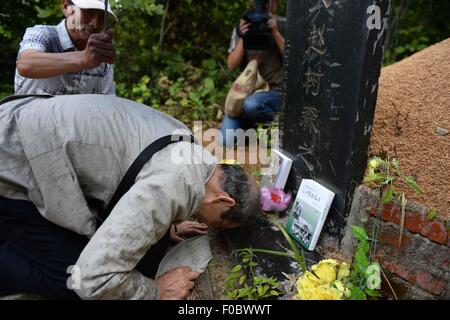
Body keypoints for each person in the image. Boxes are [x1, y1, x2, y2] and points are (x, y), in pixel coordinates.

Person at [0, 94, 260, 300]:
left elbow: (140, 173)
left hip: (31, 133)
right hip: (15, 161)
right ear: (224, 200)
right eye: (219, 224)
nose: (210, 227)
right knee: (73, 278)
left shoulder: (190, 149)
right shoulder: (173, 184)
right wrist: (155, 292)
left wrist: (166, 222)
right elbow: (94, 279)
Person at [14, 0, 117, 95]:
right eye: (89, 12)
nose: (95, 23)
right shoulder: (42, 34)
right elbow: (25, 64)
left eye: (102, 17)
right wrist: (83, 58)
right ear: (66, 7)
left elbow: (108, 101)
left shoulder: (101, 57)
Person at [220, 0, 286, 146]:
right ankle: (252, 128)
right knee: (225, 140)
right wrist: (244, 37)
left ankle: (281, 130)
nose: (266, 5)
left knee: (252, 105)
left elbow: (294, 61)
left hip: (275, 94)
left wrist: (275, 32)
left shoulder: (283, 24)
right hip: (246, 94)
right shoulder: (245, 25)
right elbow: (231, 65)